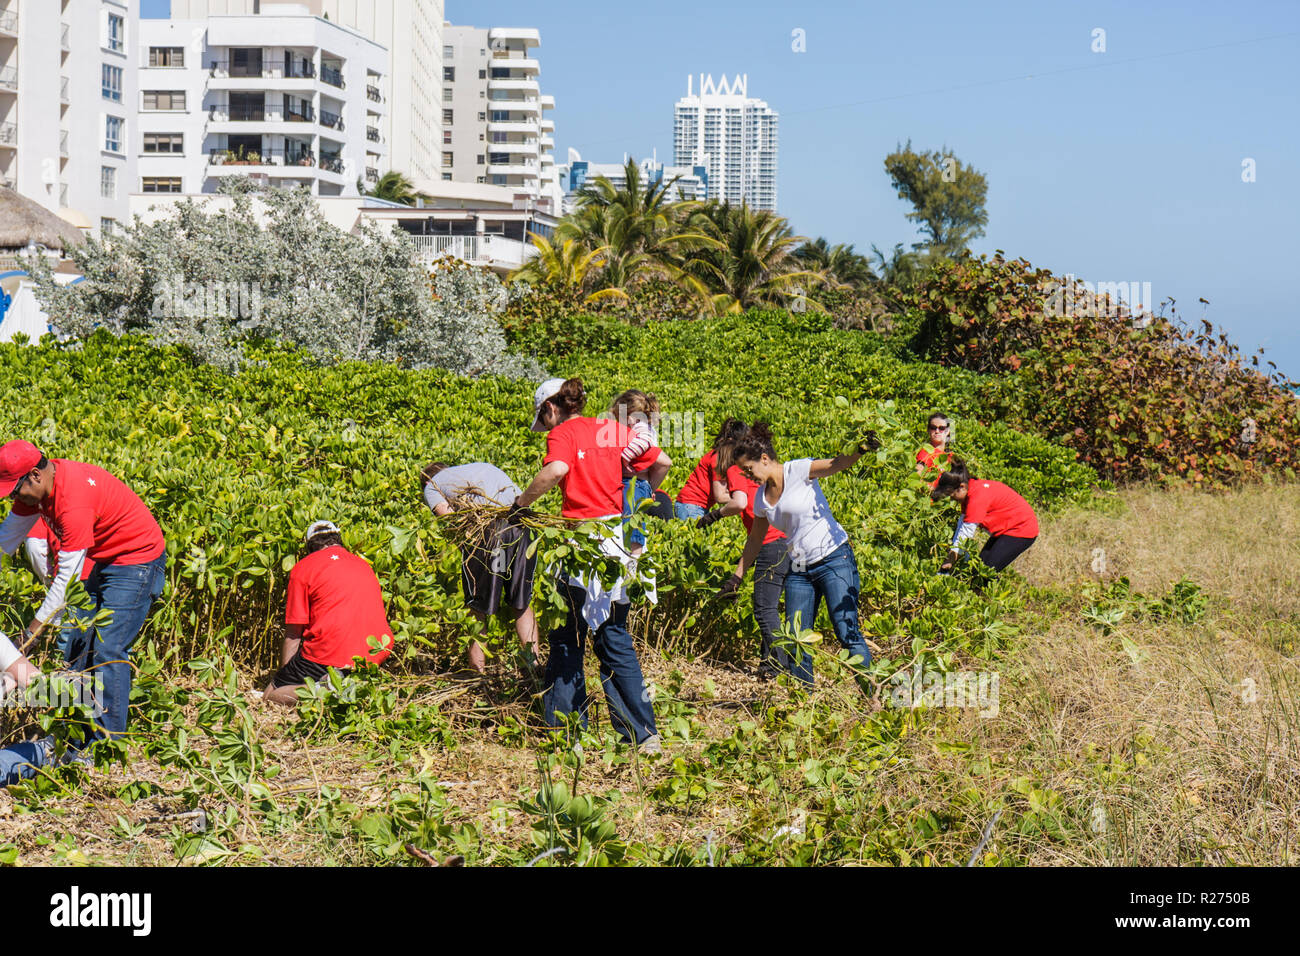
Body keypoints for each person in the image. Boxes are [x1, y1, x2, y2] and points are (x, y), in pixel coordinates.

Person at [515, 377, 671, 751]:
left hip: (581, 544)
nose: (546, 427)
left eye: (544, 418)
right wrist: (637, 489)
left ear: (551, 408)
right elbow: (662, 460)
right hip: (616, 543)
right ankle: (643, 734)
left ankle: (566, 733)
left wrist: (520, 505)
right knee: (614, 636)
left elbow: (555, 471)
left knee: (567, 638)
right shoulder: (612, 429)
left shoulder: (563, 434)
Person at [0, 441, 167, 744]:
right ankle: (75, 735)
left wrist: (30, 632)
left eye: (14, 490)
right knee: (78, 648)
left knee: (107, 649)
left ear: (34, 475)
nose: (14, 497)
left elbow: (65, 585)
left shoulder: (72, 501)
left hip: (137, 560)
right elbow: (4, 541)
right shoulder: (35, 492)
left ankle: (109, 745)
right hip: (106, 558)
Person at [725, 423, 876, 691]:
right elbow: (755, 540)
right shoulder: (761, 499)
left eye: (749, 469)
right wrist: (738, 574)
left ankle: (873, 696)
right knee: (796, 637)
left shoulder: (798, 469)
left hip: (833, 558)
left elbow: (836, 464)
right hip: (799, 569)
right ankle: (804, 701)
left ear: (764, 459)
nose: (749, 476)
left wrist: (861, 448)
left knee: (846, 631)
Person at [421, 461, 540, 674]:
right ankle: (535, 667)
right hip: (522, 528)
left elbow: (448, 517)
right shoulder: (481, 466)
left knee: (478, 607)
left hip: (489, 533)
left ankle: (477, 674)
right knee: (521, 601)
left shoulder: (432, 485)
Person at [264, 521, 394, 706]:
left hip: (330, 653)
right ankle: (347, 682)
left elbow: (294, 633)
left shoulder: (304, 567)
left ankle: (323, 689)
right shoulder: (364, 565)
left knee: (271, 694)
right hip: (376, 652)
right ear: (339, 540)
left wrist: (286, 678)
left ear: (309, 545)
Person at [705, 422, 791, 680]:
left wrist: (715, 515)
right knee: (773, 608)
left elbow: (740, 502)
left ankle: (782, 666)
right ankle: (769, 665)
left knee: (764, 609)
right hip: (788, 541)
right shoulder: (764, 468)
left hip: (770, 542)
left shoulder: (735, 469)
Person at [931, 458, 1039, 578]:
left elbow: (965, 535)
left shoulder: (977, 496)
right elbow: (961, 527)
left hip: (1021, 529)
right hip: (1005, 530)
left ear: (961, 487)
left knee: (984, 573)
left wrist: (948, 563)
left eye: (952, 496)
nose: (952, 500)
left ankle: (990, 595)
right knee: (978, 569)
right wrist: (953, 558)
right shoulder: (969, 491)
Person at [610, 389, 662, 558]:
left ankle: (634, 557)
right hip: (636, 483)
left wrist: (625, 457)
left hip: (636, 482)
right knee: (629, 518)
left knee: (633, 520)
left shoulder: (642, 427)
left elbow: (644, 442)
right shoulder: (642, 425)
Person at [674, 422, 739, 522]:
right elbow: (720, 497)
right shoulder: (719, 459)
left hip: (693, 506)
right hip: (691, 506)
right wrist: (744, 498)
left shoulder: (719, 455)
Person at [916, 412, 954, 480]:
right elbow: (917, 479)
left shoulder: (950, 455)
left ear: (947, 431)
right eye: (933, 427)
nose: (937, 431)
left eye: (941, 428)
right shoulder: (925, 453)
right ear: (928, 430)